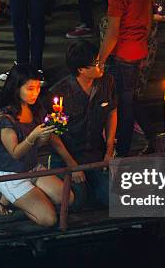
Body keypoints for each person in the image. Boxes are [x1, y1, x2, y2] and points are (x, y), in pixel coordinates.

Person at [0, 64, 74, 226]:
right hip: (12, 174)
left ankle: (16, 197)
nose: (35, 93)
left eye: (37, 88)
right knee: (49, 219)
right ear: (16, 88)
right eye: (30, 88)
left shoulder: (35, 108)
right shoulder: (5, 118)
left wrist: (47, 133)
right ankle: (6, 195)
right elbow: (15, 153)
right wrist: (33, 135)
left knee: (67, 198)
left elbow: (39, 144)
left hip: (32, 167)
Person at [98, 0, 151, 157]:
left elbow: (113, 29)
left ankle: (123, 149)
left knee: (124, 103)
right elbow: (148, 18)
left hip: (124, 51)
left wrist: (100, 59)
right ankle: (145, 138)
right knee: (129, 97)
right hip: (139, 46)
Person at [49, 40, 116, 206]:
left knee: (111, 198)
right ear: (80, 70)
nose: (101, 65)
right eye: (95, 64)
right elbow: (53, 134)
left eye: (99, 60)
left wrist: (109, 150)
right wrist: (71, 164)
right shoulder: (60, 92)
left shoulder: (106, 82)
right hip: (69, 156)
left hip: (95, 153)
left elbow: (112, 113)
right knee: (76, 202)